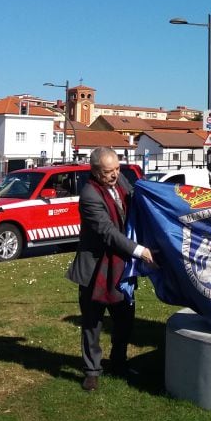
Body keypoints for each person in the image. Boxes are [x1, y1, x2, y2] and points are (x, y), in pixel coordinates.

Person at [66, 148, 155, 391]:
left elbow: (138, 195)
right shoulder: (89, 196)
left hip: (120, 266)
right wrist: (140, 251)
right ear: (95, 172)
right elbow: (108, 232)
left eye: (117, 169)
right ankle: (91, 371)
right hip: (96, 268)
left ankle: (119, 362)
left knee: (125, 319)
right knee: (92, 324)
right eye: (108, 172)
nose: (115, 175)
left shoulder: (121, 179)